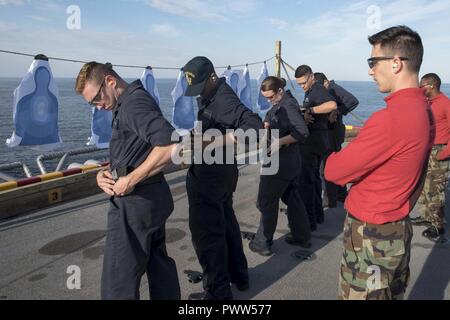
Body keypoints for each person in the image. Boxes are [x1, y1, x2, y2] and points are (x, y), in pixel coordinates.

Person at [325, 25, 433, 300]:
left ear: (396, 63)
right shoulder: (425, 111)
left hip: (371, 235)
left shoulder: (388, 119)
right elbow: (419, 175)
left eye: (373, 62)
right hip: (397, 226)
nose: (371, 70)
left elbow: (334, 171)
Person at [75, 62, 181, 300]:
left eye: (96, 99)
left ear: (110, 82)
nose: (97, 107)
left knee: (117, 283)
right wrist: (105, 172)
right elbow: (135, 149)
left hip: (134, 204)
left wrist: (130, 179)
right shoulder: (129, 102)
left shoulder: (133, 105)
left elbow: (171, 145)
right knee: (159, 267)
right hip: (150, 199)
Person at [183, 56, 263, 300]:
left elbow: (255, 128)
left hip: (211, 178)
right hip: (222, 174)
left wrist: (213, 140)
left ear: (212, 77)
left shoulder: (223, 98)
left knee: (208, 235)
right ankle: (239, 276)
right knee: (227, 225)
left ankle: (217, 292)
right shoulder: (214, 95)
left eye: (200, 86)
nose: (197, 93)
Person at [249, 76, 311, 257]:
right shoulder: (282, 104)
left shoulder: (288, 105)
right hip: (290, 163)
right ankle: (302, 236)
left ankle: (262, 242)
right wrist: (267, 122)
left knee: (266, 201)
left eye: (271, 97)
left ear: (280, 91)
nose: (269, 100)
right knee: (292, 198)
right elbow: (275, 115)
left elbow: (302, 132)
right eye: (266, 98)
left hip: (279, 163)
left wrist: (279, 142)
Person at [295, 66, 337, 230]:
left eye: (304, 82)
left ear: (311, 77)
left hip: (313, 142)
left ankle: (309, 222)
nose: (302, 86)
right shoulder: (312, 90)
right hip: (319, 141)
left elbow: (332, 105)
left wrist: (309, 109)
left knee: (306, 183)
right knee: (313, 180)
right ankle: (318, 215)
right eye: (299, 84)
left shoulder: (317, 89)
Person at [412, 73, 450, 242]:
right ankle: (427, 216)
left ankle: (438, 225)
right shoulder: (428, 103)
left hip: (439, 150)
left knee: (435, 190)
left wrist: (446, 153)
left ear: (432, 86)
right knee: (423, 188)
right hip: (426, 150)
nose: (420, 89)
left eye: (422, 86)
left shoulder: (445, 104)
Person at [314, 72, 359, 208]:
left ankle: (330, 199)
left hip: (333, 133)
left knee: (326, 167)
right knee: (335, 164)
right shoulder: (329, 90)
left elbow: (353, 101)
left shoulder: (333, 88)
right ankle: (340, 195)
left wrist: (337, 111)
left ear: (325, 83)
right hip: (334, 132)